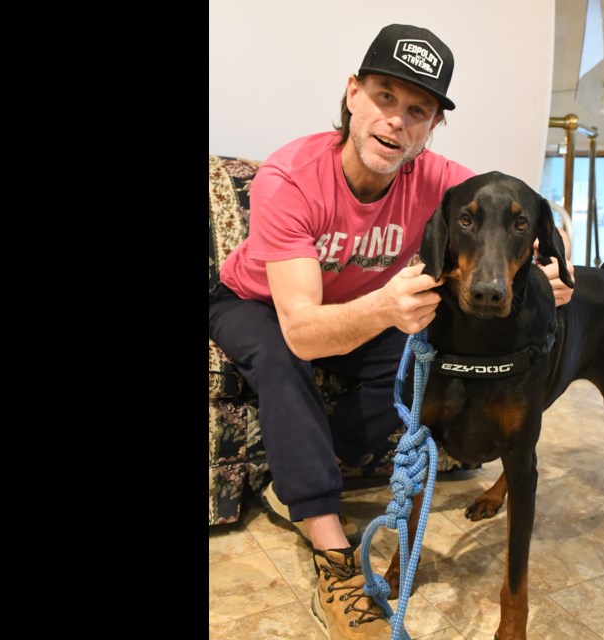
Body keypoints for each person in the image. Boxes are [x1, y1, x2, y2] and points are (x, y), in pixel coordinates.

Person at [208, 24, 574, 639]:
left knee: (423, 364)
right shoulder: (289, 177)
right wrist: (384, 309)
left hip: (358, 307)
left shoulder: (441, 181)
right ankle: (332, 553)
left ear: (433, 127)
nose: (396, 122)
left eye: (417, 110)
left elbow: (512, 207)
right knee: (279, 355)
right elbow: (301, 330)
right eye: (384, 97)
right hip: (259, 303)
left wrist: (544, 271)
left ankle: (295, 471)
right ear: (353, 94)